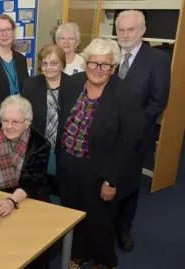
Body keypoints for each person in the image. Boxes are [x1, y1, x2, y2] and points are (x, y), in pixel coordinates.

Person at [56, 38, 144, 269]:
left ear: (113, 68)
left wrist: (111, 179)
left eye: (104, 65)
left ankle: (104, 261)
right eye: (93, 63)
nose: (97, 69)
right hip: (68, 165)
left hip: (100, 170)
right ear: (86, 63)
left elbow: (128, 142)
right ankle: (79, 254)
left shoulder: (126, 94)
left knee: (100, 221)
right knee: (74, 215)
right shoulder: (73, 83)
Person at [114, 9, 171, 252]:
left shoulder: (157, 59)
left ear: (143, 30)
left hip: (137, 136)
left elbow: (158, 101)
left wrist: (132, 126)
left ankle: (124, 229)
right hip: (106, 134)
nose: (125, 34)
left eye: (131, 29)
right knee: (104, 181)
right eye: (121, 30)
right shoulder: (108, 54)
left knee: (128, 184)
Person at [0, 95, 50, 269]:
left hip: (27, 197)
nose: (8, 126)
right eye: (5, 120)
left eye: (15, 122)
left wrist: (11, 201)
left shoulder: (40, 144)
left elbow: (32, 180)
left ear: (27, 122)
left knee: (29, 248)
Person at [21, 44, 70, 178]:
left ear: (62, 64)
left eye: (54, 63)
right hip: (38, 147)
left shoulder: (74, 84)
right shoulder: (31, 84)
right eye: (45, 63)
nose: (48, 68)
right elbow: (24, 115)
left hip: (65, 148)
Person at [0, 14, 29, 137]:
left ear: (13, 32)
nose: (4, 34)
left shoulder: (21, 59)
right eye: (0, 31)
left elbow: (27, 89)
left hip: (20, 121)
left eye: (8, 30)